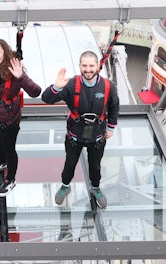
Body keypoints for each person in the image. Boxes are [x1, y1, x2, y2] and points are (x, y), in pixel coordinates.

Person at [42, 50, 120, 208]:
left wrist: (111, 127)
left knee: (95, 166)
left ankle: (96, 187)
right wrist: (56, 87)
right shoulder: (71, 85)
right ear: (79, 66)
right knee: (70, 164)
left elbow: (114, 106)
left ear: (98, 66)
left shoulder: (107, 86)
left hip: (97, 135)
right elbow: (46, 99)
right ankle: (65, 186)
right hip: (75, 135)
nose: (88, 69)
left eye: (91, 65)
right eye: (84, 65)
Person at [0, 38, 41, 196]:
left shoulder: (15, 70)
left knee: (9, 148)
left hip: (9, 119)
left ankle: (11, 178)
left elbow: (35, 92)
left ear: (5, 52)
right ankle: (1, 162)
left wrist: (21, 77)